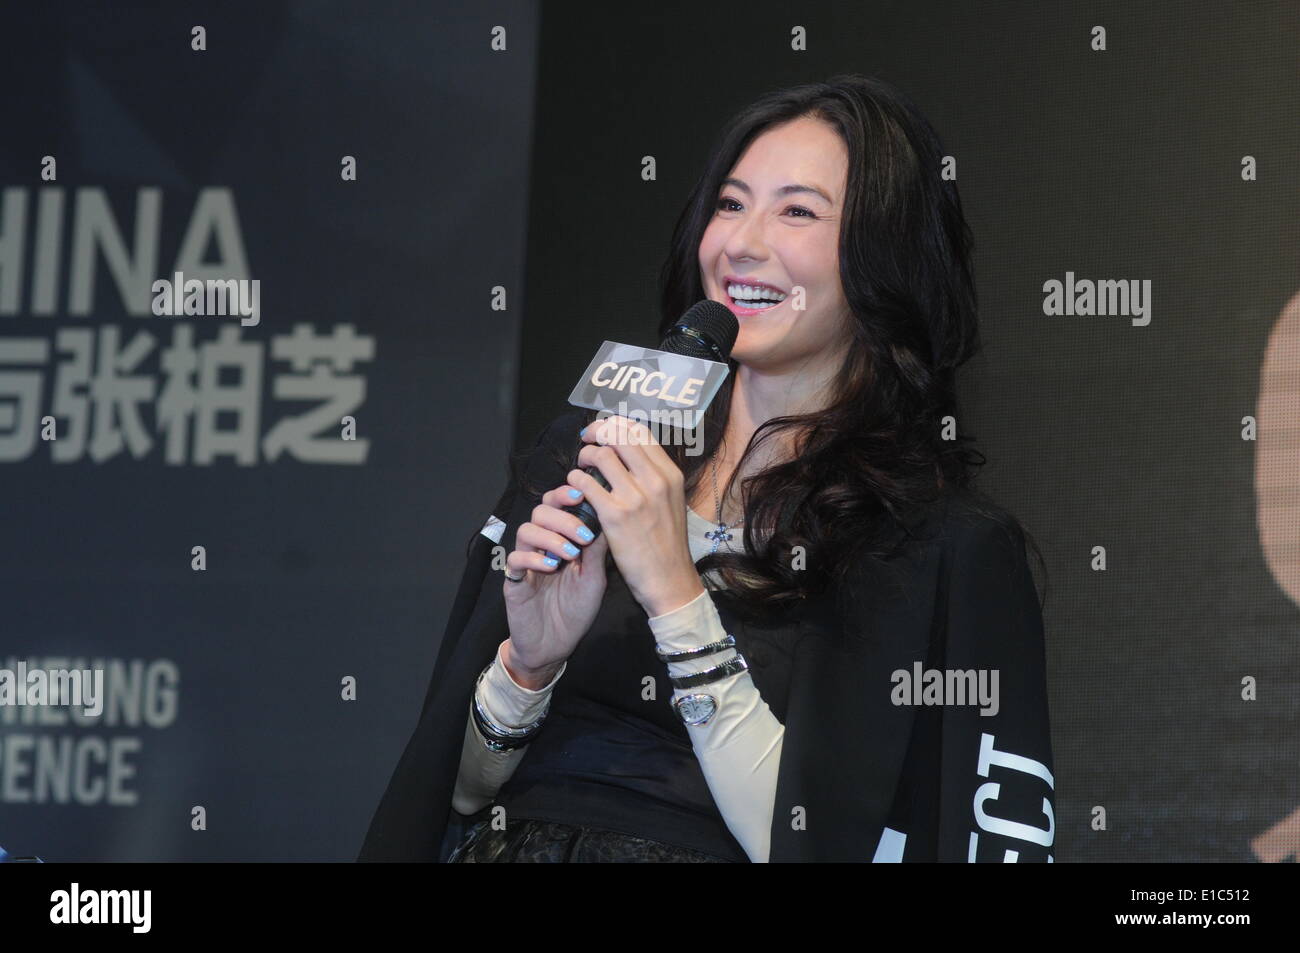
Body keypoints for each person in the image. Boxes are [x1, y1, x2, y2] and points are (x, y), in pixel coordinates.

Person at [359, 74, 1055, 863]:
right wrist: (529, 662)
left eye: (797, 211)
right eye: (729, 204)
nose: (740, 244)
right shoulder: (595, 447)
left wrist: (674, 595)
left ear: (884, 254)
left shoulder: (927, 543)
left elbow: (820, 842)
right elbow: (453, 796)